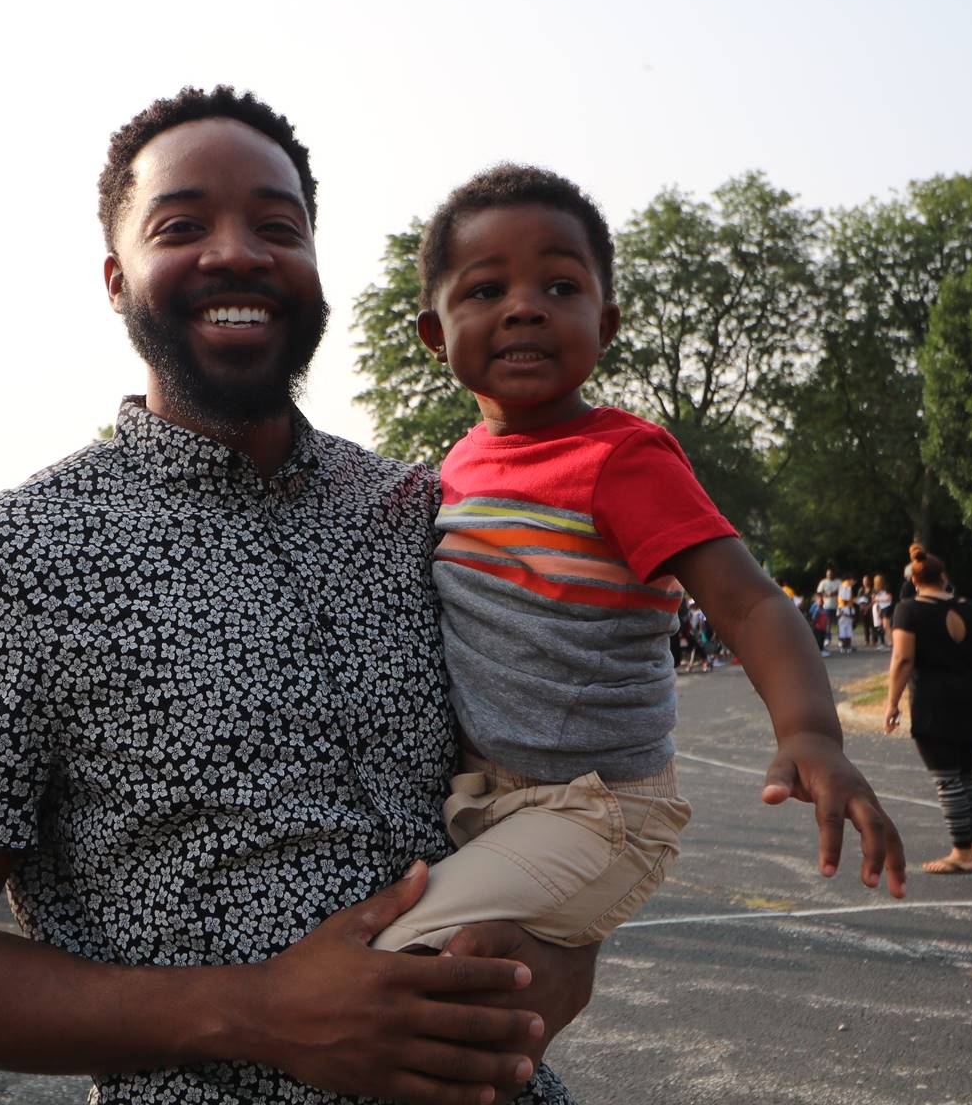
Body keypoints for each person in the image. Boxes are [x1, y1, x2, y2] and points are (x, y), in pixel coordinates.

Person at [0, 87, 606, 1104]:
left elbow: (566, 791)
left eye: (277, 225)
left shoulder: (429, 514)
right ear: (117, 279)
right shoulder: (16, 555)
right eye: (182, 225)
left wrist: (548, 967)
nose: (238, 252)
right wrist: (261, 1010)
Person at [365, 162, 901, 955]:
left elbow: (750, 605)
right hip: (483, 799)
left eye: (559, 288)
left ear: (605, 324)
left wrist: (813, 734)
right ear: (434, 335)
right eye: (484, 291)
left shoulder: (622, 459)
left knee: (399, 956)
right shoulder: (458, 468)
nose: (522, 308)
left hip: (599, 813)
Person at [882, 550, 972, 875]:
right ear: (943, 577)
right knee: (967, 776)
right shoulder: (971, 610)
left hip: (935, 700)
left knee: (947, 779)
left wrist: (892, 702)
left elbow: (903, 659)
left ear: (914, 580)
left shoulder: (909, 610)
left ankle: (960, 852)